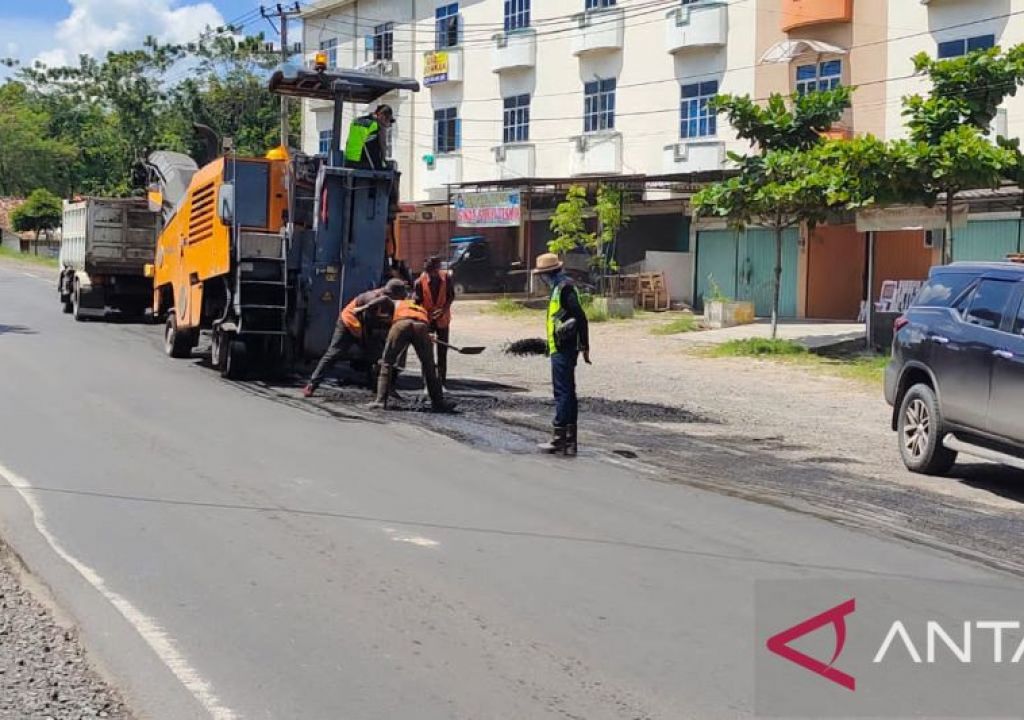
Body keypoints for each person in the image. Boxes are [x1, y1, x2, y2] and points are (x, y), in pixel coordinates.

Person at [303, 278, 406, 397]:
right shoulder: (372, 298)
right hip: (348, 324)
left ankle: (380, 390)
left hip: (365, 327)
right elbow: (369, 323)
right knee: (334, 353)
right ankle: (312, 384)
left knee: (377, 356)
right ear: (393, 294)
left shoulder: (390, 300)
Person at [532, 253, 590, 456]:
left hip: (564, 348)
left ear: (548, 273)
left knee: (562, 392)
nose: (542, 279)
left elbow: (580, 317)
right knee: (568, 391)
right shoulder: (559, 287)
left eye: (543, 275)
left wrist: (584, 345)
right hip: (559, 347)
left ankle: (560, 437)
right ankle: (569, 438)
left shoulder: (564, 288)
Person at [368, 288, 455, 413]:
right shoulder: (421, 308)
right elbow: (423, 323)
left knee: (387, 362)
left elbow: (389, 318)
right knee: (429, 366)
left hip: (402, 324)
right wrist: (427, 335)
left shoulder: (398, 303)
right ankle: (438, 403)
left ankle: (380, 401)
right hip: (421, 326)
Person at [413, 255, 455, 387]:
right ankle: (427, 383)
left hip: (443, 319)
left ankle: (442, 382)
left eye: (433, 272)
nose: (431, 275)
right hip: (427, 320)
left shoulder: (446, 278)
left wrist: (443, 310)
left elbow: (451, 296)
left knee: (442, 352)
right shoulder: (419, 282)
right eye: (428, 272)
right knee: (426, 353)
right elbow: (417, 302)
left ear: (437, 269)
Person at [344, 104, 393, 171]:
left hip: (348, 161)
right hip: (363, 164)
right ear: (382, 116)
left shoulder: (356, 121)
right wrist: (385, 162)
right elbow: (383, 145)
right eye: (389, 120)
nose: (389, 124)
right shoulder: (376, 125)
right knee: (387, 171)